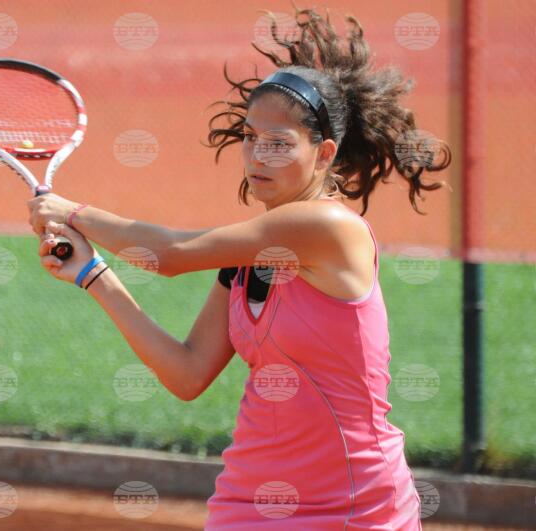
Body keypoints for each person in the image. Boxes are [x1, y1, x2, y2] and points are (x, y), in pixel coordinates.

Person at [26, 5, 450, 529]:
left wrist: (71, 212)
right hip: (248, 502)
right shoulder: (247, 260)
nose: (258, 156)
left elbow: (171, 255)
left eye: (279, 144)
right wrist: (93, 274)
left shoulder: (329, 228)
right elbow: (187, 373)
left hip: (352, 505)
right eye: (251, 137)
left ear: (324, 154)